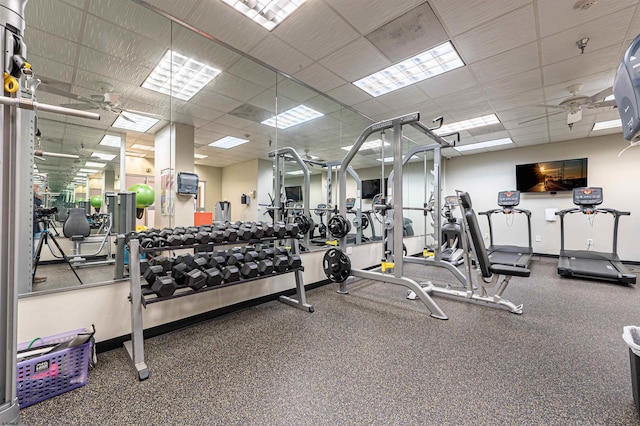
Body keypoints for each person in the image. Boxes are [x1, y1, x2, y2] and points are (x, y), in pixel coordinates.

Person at [32, 185, 46, 283]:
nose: (36, 189)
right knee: (30, 253)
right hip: (27, 229)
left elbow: (37, 205)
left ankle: (31, 276)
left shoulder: (34, 198)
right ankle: (29, 277)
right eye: (35, 188)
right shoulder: (29, 197)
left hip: (32, 228)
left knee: (32, 253)